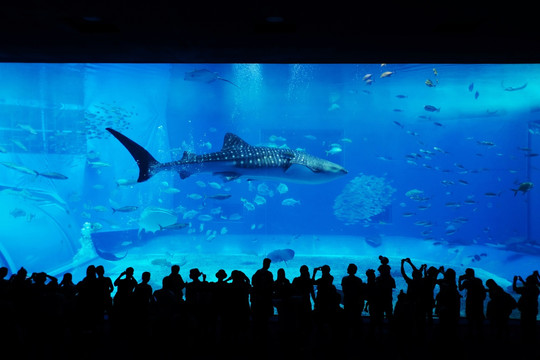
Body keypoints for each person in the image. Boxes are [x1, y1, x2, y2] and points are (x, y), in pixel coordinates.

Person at [458, 268, 486, 339]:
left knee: (470, 318)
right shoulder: (478, 280)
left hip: (470, 301)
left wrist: (459, 281)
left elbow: (460, 288)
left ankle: (470, 334)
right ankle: (480, 334)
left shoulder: (467, 282)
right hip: (478, 301)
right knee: (479, 317)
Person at [513, 271, 540, 343]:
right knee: (532, 324)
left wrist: (515, 280)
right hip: (533, 309)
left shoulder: (526, 289)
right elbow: (529, 286)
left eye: (527, 280)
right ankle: (533, 339)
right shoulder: (536, 289)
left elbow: (515, 289)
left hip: (525, 310)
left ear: (529, 281)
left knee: (524, 325)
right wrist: (522, 280)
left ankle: (525, 340)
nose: (526, 281)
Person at [251, 258, 274, 341]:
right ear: (265, 263)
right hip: (262, 301)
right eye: (268, 263)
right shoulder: (263, 273)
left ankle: (259, 337)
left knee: (261, 321)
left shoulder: (260, 273)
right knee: (262, 321)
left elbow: (253, 283)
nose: (268, 265)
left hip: (262, 300)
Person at [341, 263, 365, 337]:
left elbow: (344, 290)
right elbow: (360, 292)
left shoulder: (344, 279)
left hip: (348, 301)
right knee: (356, 319)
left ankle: (346, 334)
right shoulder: (359, 280)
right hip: (356, 302)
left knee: (346, 318)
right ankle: (357, 335)